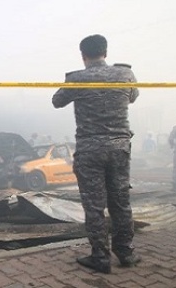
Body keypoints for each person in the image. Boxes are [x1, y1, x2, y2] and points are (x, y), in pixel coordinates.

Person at [52, 34, 140, 274]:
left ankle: (100, 258)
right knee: (121, 202)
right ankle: (126, 253)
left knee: (94, 206)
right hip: (120, 149)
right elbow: (132, 97)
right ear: (106, 52)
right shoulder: (125, 74)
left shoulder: (77, 78)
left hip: (90, 150)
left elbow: (56, 101)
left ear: (83, 55)